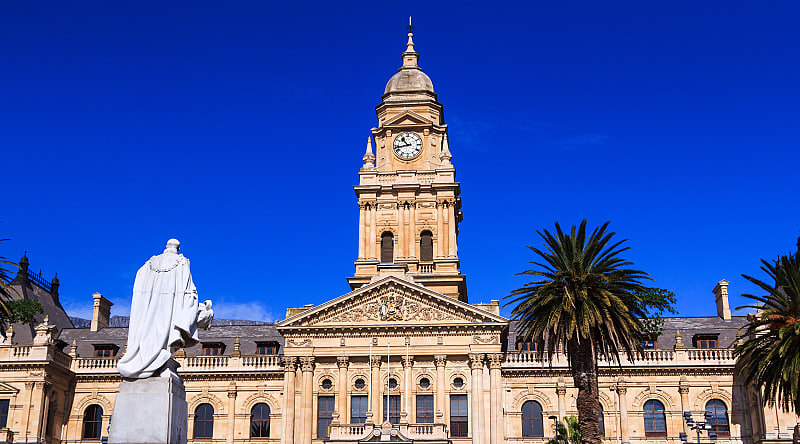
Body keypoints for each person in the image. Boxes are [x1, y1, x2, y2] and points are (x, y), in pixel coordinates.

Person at [117, 239, 213, 379]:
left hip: (147, 310)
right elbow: (189, 293)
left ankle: (146, 357)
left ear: (166, 247)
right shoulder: (181, 263)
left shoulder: (146, 266)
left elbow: (138, 293)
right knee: (165, 327)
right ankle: (158, 357)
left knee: (149, 329)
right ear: (178, 248)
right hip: (170, 308)